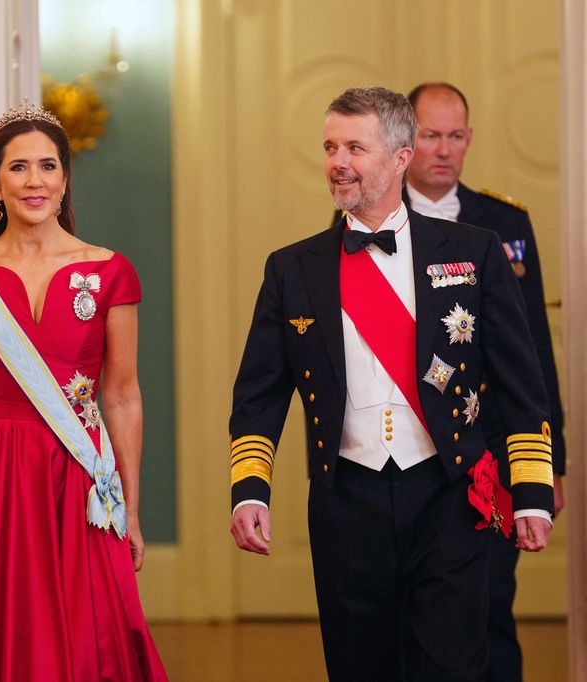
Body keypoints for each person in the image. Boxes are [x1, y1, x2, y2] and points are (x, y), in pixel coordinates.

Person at [230, 86, 555, 681]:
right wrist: (251, 487)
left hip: (450, 494)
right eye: (331, 146)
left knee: (453, 668)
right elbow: (259, 393)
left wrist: (531, 488)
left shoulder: (474, 252)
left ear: (400, 157)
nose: (338, 161)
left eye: (356, 146)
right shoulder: (293, 268)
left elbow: (520, 380)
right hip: (345, 502)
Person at [0, 99, 168, 681]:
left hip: (80, 473)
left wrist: (132, 508)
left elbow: (121, 396)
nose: (34, 180)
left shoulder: (110, 270)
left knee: (91, 629)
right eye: (18, 168)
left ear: (66, 178)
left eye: (48, 166)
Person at [403, 81, 566, 682]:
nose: (443, 150)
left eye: (455, 136)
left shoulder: (505, 222)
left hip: (493, 449)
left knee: (492, 604)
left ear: (469, 139)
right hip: (409, 451)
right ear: (404, 138)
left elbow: (533, 356)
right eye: (429, 135)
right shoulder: (369, 217)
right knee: (408, 615)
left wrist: (548, 464)